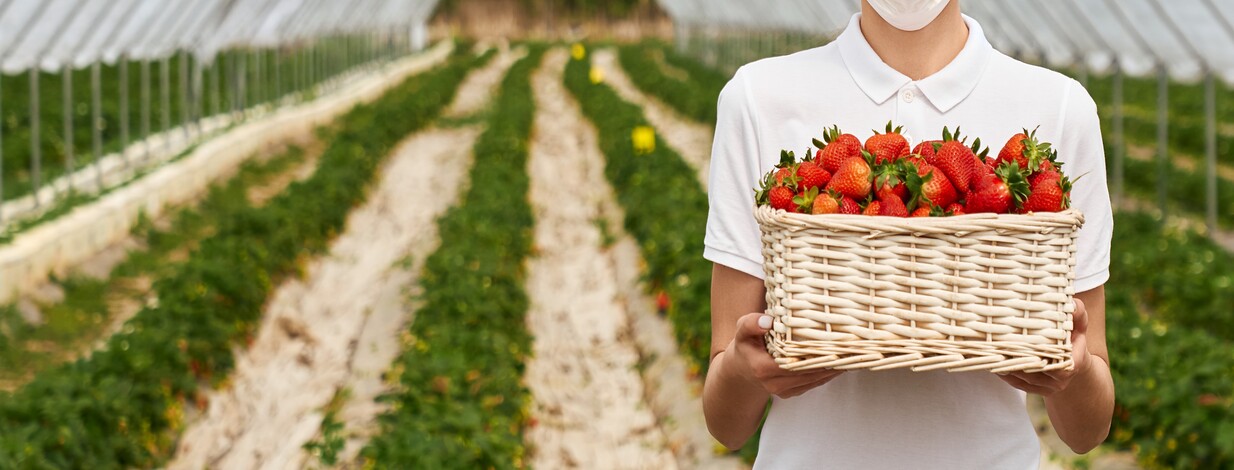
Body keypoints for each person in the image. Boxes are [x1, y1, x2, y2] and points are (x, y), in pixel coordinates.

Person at [702, 0, 1115, 468]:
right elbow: (726, 426)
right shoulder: (757, 97)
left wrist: (1073, 370)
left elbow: (1087, 431)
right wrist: (745, 370)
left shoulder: (1060, 107)